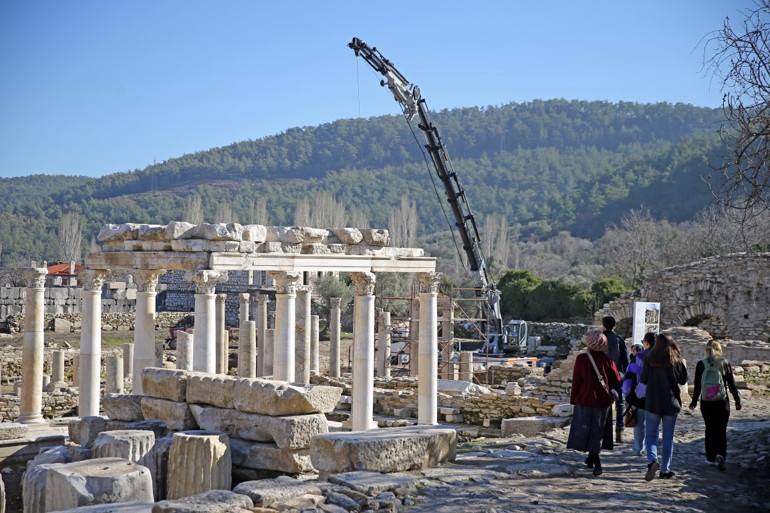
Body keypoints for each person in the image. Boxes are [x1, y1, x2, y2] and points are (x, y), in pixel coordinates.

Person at [567, 330, 622, 476]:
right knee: (597, 431)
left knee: (586, 430)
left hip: (584, 400)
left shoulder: (581, 359)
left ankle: (597, 463)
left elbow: (576, 382)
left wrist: (573, 401)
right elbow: (617, 381)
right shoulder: (608, 360)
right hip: (602, 402)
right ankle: (591, 459)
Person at [639, 333, 688, 481]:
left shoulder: (650, 359)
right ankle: (665, 470)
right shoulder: (676, 359)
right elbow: (683, 380)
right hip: (671, 403)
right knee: (668, 437)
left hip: (653, 402)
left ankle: (652, 460)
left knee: (651, 435)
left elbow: (643, 379)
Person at [688, 340, 742, 471]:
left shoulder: (701, 364)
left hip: (707, 402)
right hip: (722, 402)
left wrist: (694, 402)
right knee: (721, 430)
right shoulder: (725, 363)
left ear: (706, 350)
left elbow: (698, 385)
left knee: (710, 429)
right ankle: (720, 454)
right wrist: (737, 400)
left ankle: (710, 458)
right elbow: (732, 384)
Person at [622, 333, 655, 456]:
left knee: (640, 425)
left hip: (639, 395)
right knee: (653, 426)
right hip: (656, 396)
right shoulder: (662, 356)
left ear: (646, 343)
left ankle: (638, 448)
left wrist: (627, 394)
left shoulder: (639, 357)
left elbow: (630, 376)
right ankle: (652, 452)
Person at [602, 316, 629, 443]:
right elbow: (625, 360)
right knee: (620, 403)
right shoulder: (619, 339)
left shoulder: (599, 339)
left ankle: (602, 431)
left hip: (602, 375)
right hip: (617, 375)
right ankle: (619, 432)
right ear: (615, 326)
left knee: (602, 403)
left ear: (603, 326)